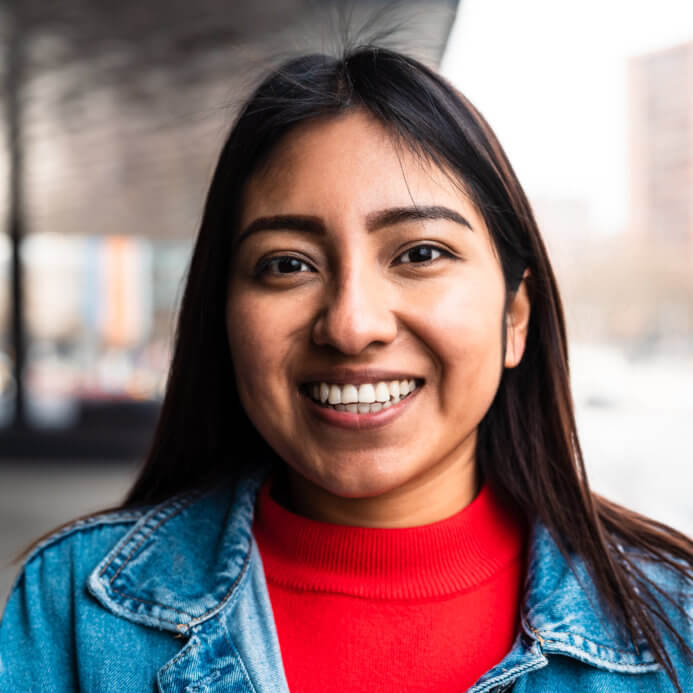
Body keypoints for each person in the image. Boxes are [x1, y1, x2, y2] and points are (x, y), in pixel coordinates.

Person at [1, 46, 692, 693]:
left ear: (513, 317)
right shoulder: (75, 613)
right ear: (224, 318)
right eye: (287, 264)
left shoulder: (675, 626)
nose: (352, 325)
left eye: (419, 253)